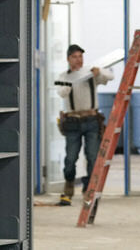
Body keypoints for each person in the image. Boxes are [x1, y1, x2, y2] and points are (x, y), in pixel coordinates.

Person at [54, 44, 113, 206]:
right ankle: (68, 187)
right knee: (70, 158)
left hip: (92, 121)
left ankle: (89, 189)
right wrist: (73, 79)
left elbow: (110, 76)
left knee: (93, 156)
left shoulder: (90, 73)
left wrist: (98, 72)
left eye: (80, 56)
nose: (78, 60)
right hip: (72, 122)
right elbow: (62, 92)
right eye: (74, 57)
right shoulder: (63, 76)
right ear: (68, 59)